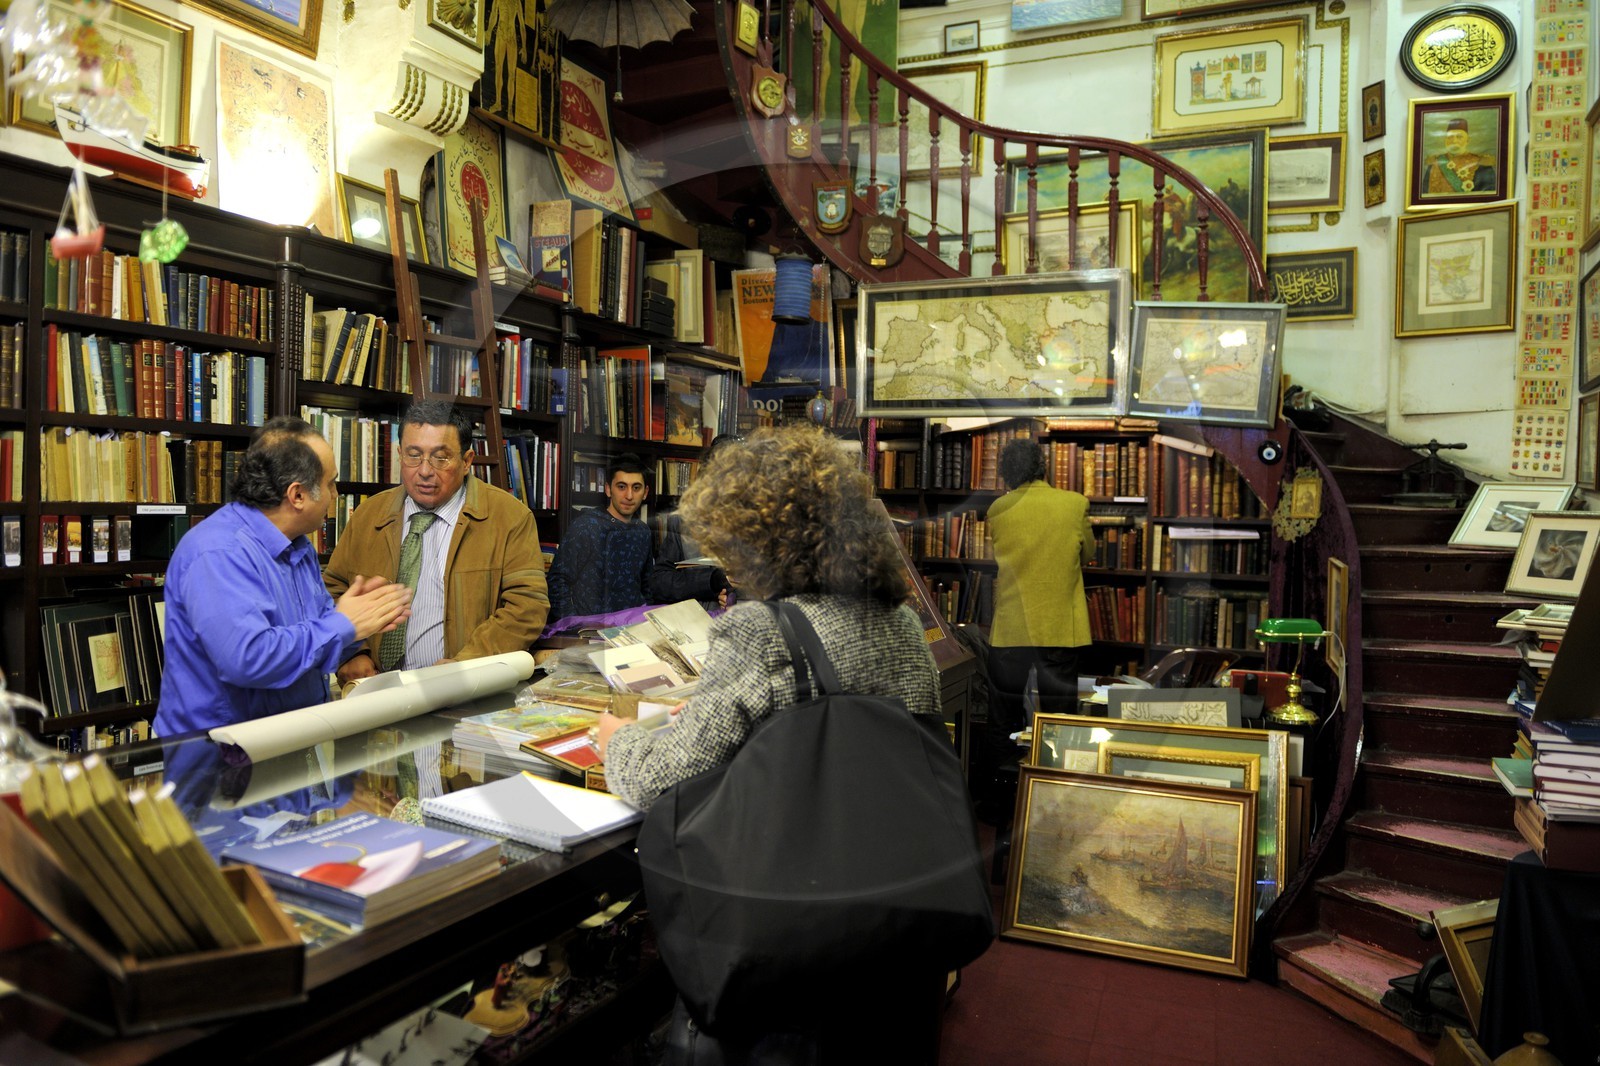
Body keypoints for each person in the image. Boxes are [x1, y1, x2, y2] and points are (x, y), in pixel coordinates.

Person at [594, 424, 942, 1060]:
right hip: (892, 926)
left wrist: (617, 740)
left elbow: (660, 778)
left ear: (762, 536)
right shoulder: (898, 622)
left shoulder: (763, 630)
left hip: (791, 935)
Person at [155, 417, 412, 735]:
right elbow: (249, 660)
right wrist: (343, 624)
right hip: (224, 760)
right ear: (298, 495)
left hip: (287, 742)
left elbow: (313, 629)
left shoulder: (298, 545)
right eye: (330, 483)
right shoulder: (218, 553)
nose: (336, 493)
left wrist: (352, 639)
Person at [324, 400, 549, 684]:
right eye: (413, 456)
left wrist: (464, 666)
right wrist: (352, 651)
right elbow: (331, 592)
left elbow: (527, 607)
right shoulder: (369, 515)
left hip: (466, 691)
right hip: (376, 690)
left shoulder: (509, 517)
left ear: (467, 461)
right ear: (399, 454)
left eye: (440, 458)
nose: (425, 470)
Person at [984, 437, 1094, 746]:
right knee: (1059, 720)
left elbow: (998, 559)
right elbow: (1086, 555)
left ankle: (1000, 786)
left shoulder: (998, 509)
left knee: (1003, 716)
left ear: (1007, 471)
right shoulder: (1075, 504)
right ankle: (1051, 784)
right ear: (1042, 467)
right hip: (1059, 627)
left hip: (1011, 630)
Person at [546, 453, 653, 622]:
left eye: (636, 488)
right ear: (608, 489)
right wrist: (573, 625)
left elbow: (647, 586)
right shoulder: (586, 527)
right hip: (590, 632)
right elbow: (557, 582)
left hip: (632, 628)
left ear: (645, 492)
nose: (629, 496)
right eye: (622, 487)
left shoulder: (643, 531)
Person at [645, 434, 740, 609]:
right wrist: (710, 581)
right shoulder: (683, 522)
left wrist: (738, 597)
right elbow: (659, 583)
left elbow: (781, 587)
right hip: (694, 626)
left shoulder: (761, 524)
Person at [1424, 117, 1497, 196]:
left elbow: (1488, 195)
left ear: (1467, 140)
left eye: (1459, 137)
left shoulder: (1481, 163)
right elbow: (1424, 193)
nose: (1454, 141)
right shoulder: (1434, 162)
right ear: (1445, 140)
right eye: (1450, 137)